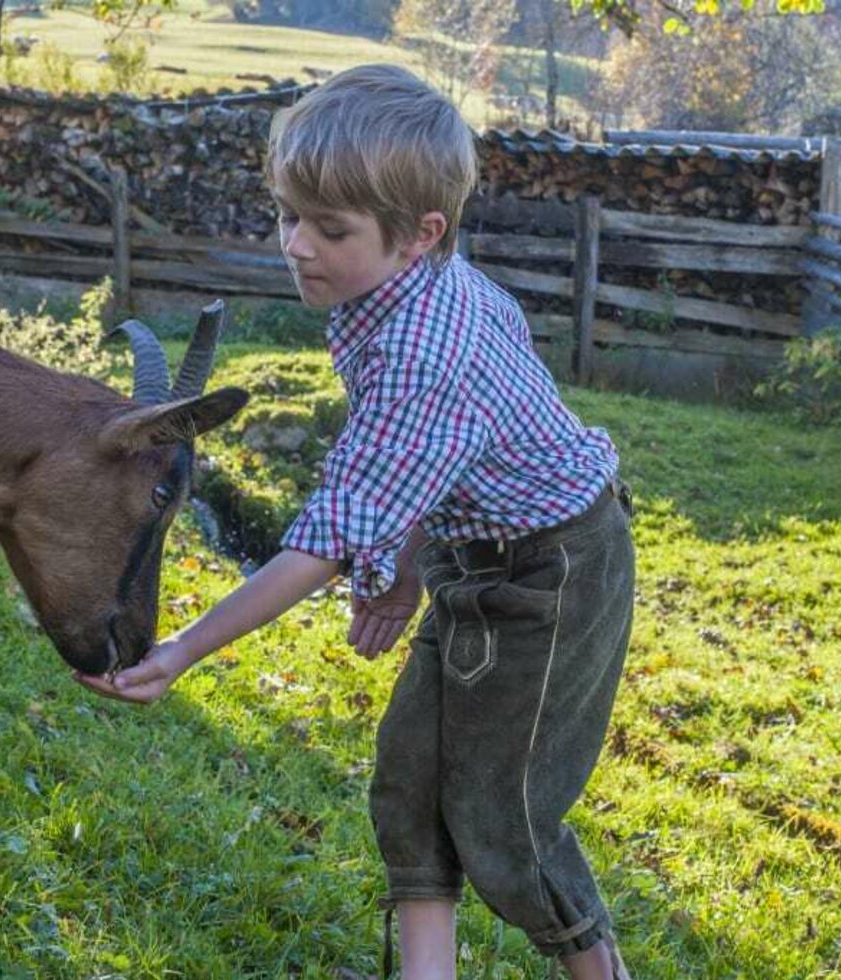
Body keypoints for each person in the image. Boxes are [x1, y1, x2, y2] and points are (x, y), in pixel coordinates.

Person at [75, 63, 635, 980]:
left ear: (421, 234)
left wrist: (181, 650)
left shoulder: (423, 351)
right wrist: (411, 566)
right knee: (410, 779)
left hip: (554, 574)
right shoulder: (400, 288)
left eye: (329, 229)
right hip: (476, 551)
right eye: (287, 214)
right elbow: (442, 460)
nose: (295, 245)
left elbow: (324, 544)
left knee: (504, 817)